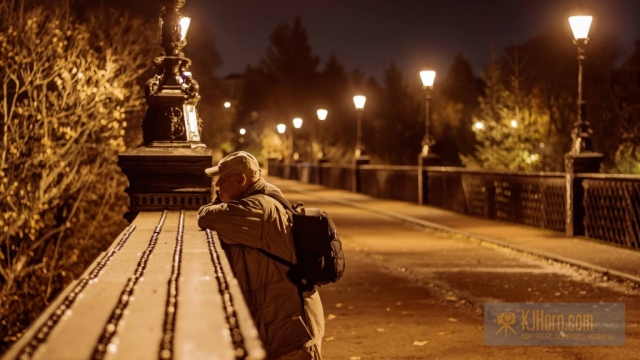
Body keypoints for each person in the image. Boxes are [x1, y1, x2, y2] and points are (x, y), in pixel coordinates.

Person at [197, 151, 324, 359]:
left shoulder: (258, 208)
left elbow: (210, 218)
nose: (217, 185)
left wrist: (207, 207)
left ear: (241, 179)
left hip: (291, 327)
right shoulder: (266, 195)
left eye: (223, 179)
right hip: (285, 319)